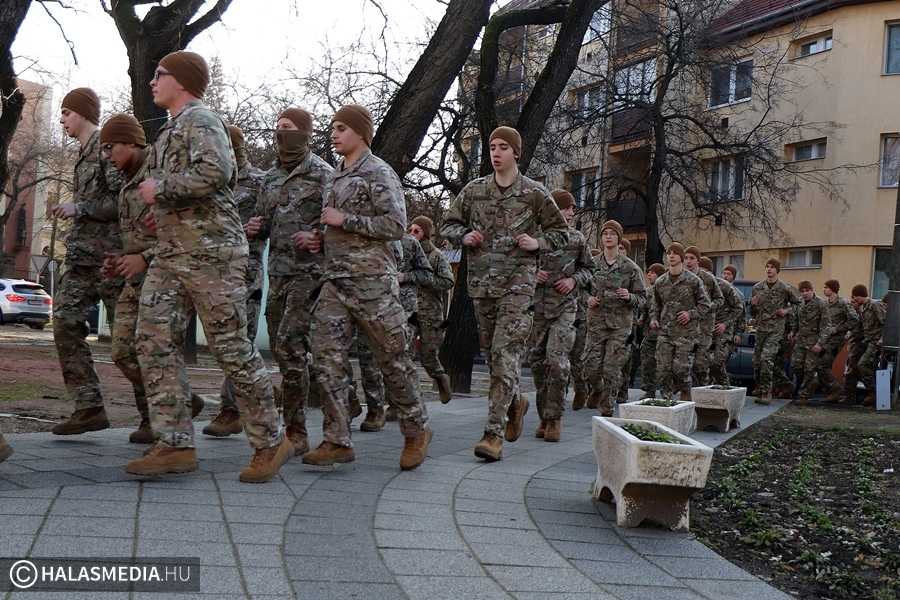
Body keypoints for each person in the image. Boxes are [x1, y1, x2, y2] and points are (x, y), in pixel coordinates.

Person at [127, 51, 290, 482]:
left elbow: (218, 170)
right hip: (172, 252)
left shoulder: (201, 118)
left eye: (158, 75)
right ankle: (174, 444)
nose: (151, 82)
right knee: (151, 340)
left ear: (180, 80)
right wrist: (158, 206)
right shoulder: (170, 128)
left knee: (231, 349)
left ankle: (272, 440)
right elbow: (183, 191)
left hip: (212, 254)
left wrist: (160, 188)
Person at [301, 104, 432, 470]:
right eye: (332, 128)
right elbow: (337, 228)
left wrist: (346, 219)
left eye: (341, 128)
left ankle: (417, 430)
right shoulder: (335, 176)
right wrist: (320, 239)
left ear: (361, 132)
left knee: (392, 359)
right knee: (325, 358)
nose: (334, 133)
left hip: (373, 282)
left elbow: (395, 225)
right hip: (335, 281)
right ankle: (337, 439)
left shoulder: (378, 171)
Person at [441, 126, 568, 461]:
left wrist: (537, 242)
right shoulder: (474, 190)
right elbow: (447, 225)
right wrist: (464, 235)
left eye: (503, 147)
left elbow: (562, 234)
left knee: (505, 354)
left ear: (516, 153)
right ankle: (516, 403)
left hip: (519, 288)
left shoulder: (535, 193)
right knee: (497, 359)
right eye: (492, 147)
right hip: (482, 287)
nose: (496, 153)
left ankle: (492, 434)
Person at [217, 108, 334, 456]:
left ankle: (297, 431)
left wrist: (320, 237)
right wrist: (255, 227)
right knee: (285, 352)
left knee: (292, 347)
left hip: (310, 277)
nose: (281, 134)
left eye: (289, 128)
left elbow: (336, 225)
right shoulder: (269, 179)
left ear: (305, 134)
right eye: (278, 128)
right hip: (278, 276)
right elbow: (265, 221)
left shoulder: (324, 175)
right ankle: (303, 418)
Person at [98, 113, 205, 444]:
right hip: (136, 280)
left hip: (166, 275)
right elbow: (133, 232)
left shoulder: (158, 174)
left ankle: (168, 430)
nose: (107, 155)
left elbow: (188, 231)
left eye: (110, 147)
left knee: (155, 352)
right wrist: (119, 261)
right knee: (122, 352)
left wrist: (144, 258)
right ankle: (179, 403)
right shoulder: (126, 180)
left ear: (131, 142)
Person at [51, 87, 125, 436]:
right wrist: (76, 230)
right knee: (65, 322)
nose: (62, 119)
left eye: (66, 112)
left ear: (83, 113)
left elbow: (120, 201)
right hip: (82, 259)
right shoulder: (81, 154)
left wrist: (78, 209)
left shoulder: (105, 148)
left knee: (128, 343)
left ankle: (159, 412)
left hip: (111, 260)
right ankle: (89, 406)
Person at [204, 125, 267, 438]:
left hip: (246, 270)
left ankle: (231, 411)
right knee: (222, 340)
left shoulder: (258, 181)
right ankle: (257, 399)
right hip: (213, 271)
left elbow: (275, 221)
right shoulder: (212, 182)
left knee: (239, 339)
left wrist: (259, 226)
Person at [527, 189, 594, 441]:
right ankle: (544, 416)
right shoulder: (534, 237)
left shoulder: (577, 239)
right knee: (537, 365)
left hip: (565, 309)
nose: (570, 213)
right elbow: (515, 269)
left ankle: (555, 418)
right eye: (566, 208)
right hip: (536, 311)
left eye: (572, 209)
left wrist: (573, 280)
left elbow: (589, 270)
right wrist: (534, 274)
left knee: (556, 361)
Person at [582, 220, 646, 416]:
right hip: (596, 325)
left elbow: (643, 299)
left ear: (619, 238)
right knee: (590, 369)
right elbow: (580, 290)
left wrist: (630, 297)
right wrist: (588, 299)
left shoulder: (631, 268)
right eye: (605, 234)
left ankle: (607, 410)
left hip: (620, 327)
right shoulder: (591, 265)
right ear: (601, 239)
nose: (608, 236)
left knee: (612, 369)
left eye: (612, 233)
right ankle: (597, 389)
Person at [649, 243, 711, 401]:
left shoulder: (693, 281)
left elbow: (705, 305)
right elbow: (655, 305)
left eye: (675, 253)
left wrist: (691, 314)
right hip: (665, 332)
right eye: (669, 253)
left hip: (686, 334)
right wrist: (654, 319)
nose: (671, 256)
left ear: (681, 258)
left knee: (680, 369)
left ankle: (685, 386)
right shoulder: (661, 282)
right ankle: (666, 401)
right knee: (663, 370)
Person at [408, 216, 455, 404]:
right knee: (401, 357)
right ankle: (400, 403)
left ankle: (440, 378)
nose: (412, 234)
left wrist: (421, 279)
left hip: (430, 314)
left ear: (425, 234)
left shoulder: (436, 256)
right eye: (410, 230)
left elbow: (448, 281)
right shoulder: (406, 254)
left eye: (416, 231)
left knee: (428, 356)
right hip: (408, 311)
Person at [748, 258, 802, 405]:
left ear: (777, 270)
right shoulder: (757, 287)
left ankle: (767, 391)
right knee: (757, 362)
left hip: (776, 330)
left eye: (772, 267)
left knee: (767, 358)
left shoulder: (784, 288)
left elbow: (799, 304)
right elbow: (752, 311)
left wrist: (787, 310)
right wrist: (752, 305)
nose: (769, 269)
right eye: (767, 267)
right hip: (761, 330)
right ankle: (761, 389)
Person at [699, 257, 745, 386]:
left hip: (724, 332)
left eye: (728, 274)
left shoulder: (730, 291)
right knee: (704, 365)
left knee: (716, 363)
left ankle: (724, 386)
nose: (725, 275)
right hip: (707, 331)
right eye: (724, 273)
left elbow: (740, 314)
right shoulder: (697, 286)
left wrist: (737, 332)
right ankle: (708, 392)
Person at [683, 246, 724, 388]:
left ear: (698, 260)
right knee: (682, 363)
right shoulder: (680, 277)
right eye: (686, 258)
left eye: (692, 258)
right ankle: (685, 392)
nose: (688, 261)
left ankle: (702, 392)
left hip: (704, 328)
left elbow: (720, 299)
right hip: (684, 327)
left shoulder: (708, 279)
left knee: (701, 364)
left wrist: (707, 307)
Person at [788, 280, 832, 405]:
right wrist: (793, 331)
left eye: (807, 290)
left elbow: (827, 327)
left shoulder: (820, 303)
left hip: (814, 342)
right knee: (795, 365)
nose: (805, 293)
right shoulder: (799, 302)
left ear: (812, 290)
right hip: (801, 340)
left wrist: (820, 343)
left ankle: (804, 395)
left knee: (809, 369)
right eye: (802, 291)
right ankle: (810, 384)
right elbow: (796, 319)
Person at [820, 280, 859, 404]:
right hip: (825, 339)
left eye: (826, 287)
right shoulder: (825, 304)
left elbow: (854, 320)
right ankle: (832, 391)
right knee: (820, 365)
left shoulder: (843, 303)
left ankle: (835, 389)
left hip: (836, 340)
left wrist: (838, 329)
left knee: (821, 365)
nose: (823, 290)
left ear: (833, 289)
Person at [851, 284, 885, 407]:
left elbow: (885, 322)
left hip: (875, 341)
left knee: (863, 364)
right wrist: (851, 334)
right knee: (858, 366)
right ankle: (878, 389)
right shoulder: (863, 308)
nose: (854, 300)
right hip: (867, 340)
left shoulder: (874, 305)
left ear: (859, 295)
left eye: (855, 297)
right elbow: (861, 326)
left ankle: (872, 392)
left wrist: (882, 338)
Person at [637, 263, 665, 398]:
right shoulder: (648, 292)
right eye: (648, 272)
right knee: (647, 362)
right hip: (649, 335)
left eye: (652, 272)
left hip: (663, 335)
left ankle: (668, 391)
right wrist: (642, 318)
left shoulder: (665, 290)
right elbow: (644, 308)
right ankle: (649, 390)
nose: (649, 275)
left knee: (665, 365)